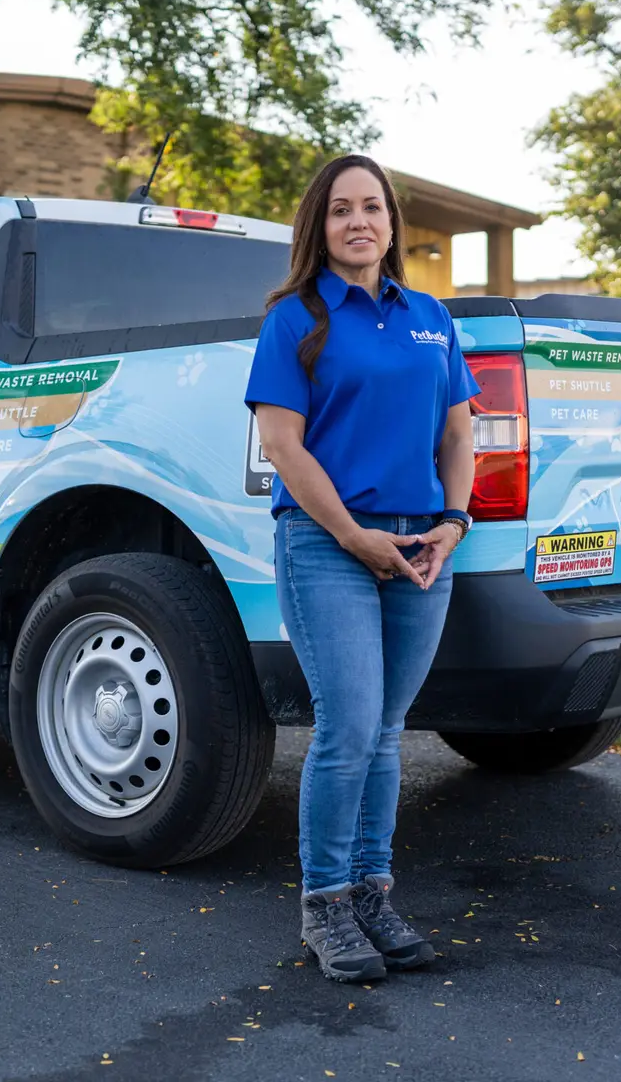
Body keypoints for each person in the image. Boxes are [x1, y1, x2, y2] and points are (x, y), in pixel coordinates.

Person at [244, 154, 476, 982]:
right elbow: (282, 446)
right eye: (340, 210)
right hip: (326, 544)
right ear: (320, 225)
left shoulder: (430, 318)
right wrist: (351, 536)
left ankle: (374, 894)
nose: (358, 222)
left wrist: (454, 521)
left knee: (385, 732)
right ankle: (327, 908)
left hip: (424, 546)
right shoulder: (293, 320)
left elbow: (458, 436)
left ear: (391, 223)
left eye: (371, 207)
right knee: (346, 731)